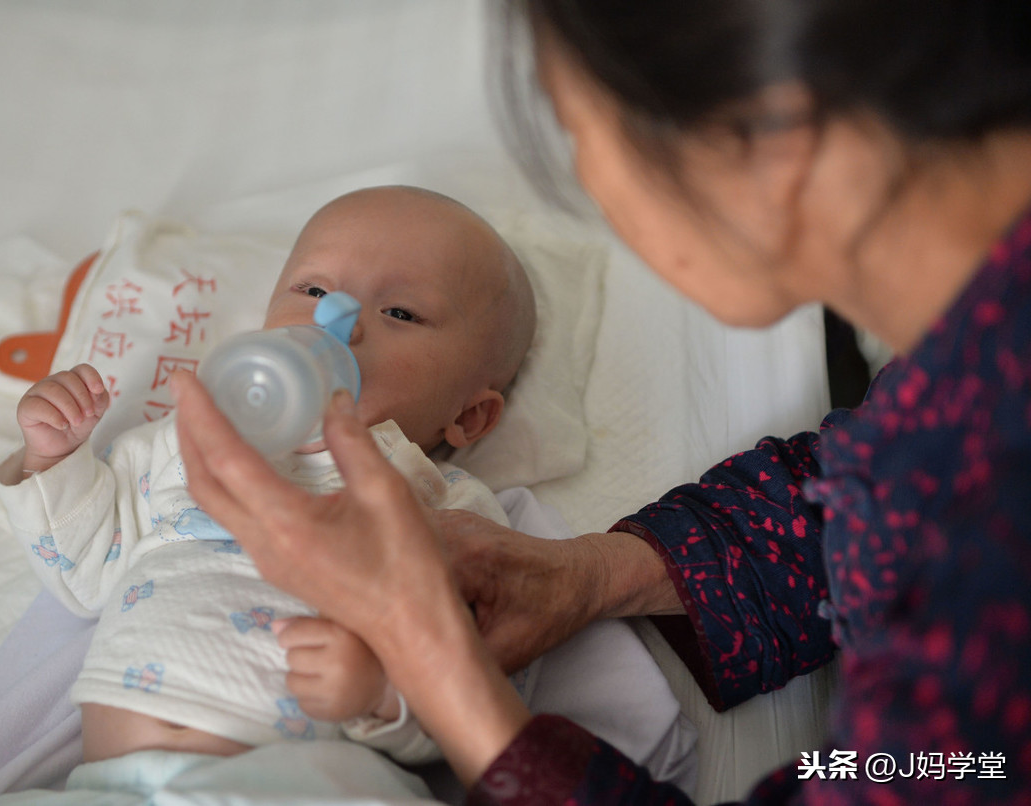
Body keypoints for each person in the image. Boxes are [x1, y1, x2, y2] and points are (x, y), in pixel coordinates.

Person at [170, 0, 1031, 803]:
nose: (338, 325)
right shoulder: (969, 386)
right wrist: (592, 576)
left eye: (578, 135)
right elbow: (871, 492)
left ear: (774, 153)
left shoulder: (985, 568)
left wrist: (438, 672)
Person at [0, 186, 537, 775]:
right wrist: (56, 457)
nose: (336, 320)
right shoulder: (189, 436)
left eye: (400, 312)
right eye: (313, 290)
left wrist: (379, 694)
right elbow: (86, 574)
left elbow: (476, 693)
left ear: (467, 415)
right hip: (110, 781)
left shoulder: (443, 510)